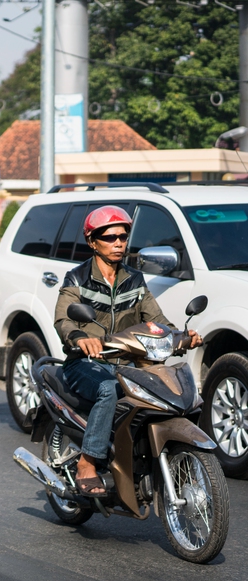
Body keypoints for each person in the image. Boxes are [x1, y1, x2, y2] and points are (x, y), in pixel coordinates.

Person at [54, 205, 202, 497]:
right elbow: (63, 319)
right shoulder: (77, 278)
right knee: (108, 389)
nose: (118, 242)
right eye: (109, 237)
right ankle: (88, 462)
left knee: (173, 390)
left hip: (130, 362)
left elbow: (157, 320)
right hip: (87, 362)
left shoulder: (134, 279)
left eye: (122, 236)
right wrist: (81, 337)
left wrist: (181, 336)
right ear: (92, 241)